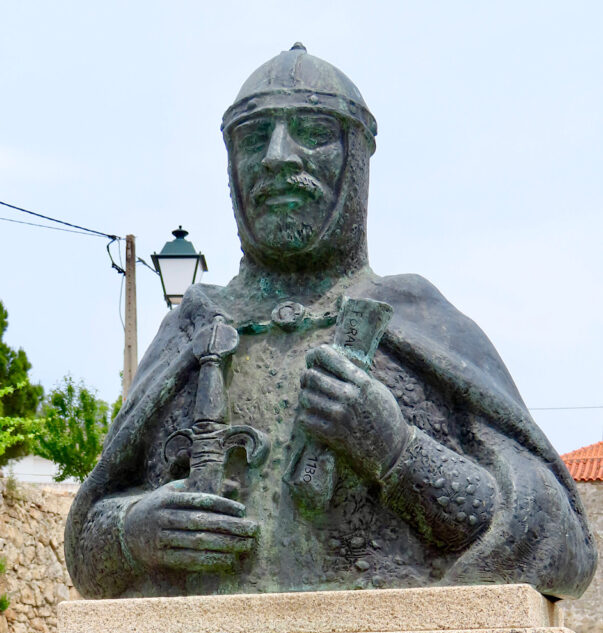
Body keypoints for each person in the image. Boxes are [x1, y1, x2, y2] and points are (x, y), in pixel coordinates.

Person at [65, 44, 596, 600]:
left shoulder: (418, 320)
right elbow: (86, 545)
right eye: (253, 138)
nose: (276, 157)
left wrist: (397, 451)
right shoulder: (193, 327)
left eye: (312, 131)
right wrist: (134, 532)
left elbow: (556, 541)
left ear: (356, 158)